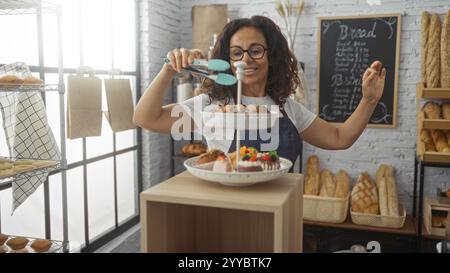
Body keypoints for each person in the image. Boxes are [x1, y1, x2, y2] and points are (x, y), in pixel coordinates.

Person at [133, 15, 386, 164]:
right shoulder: (213, 105)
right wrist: (168, 69)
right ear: (227, 60)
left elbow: (339, 138)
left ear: (271, 55)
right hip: (227, 210)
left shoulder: (287, 108)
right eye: (236, 52)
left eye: (255, 50)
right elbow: (145, 118)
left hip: (278, 213)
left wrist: (369, 100)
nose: (245, 60)